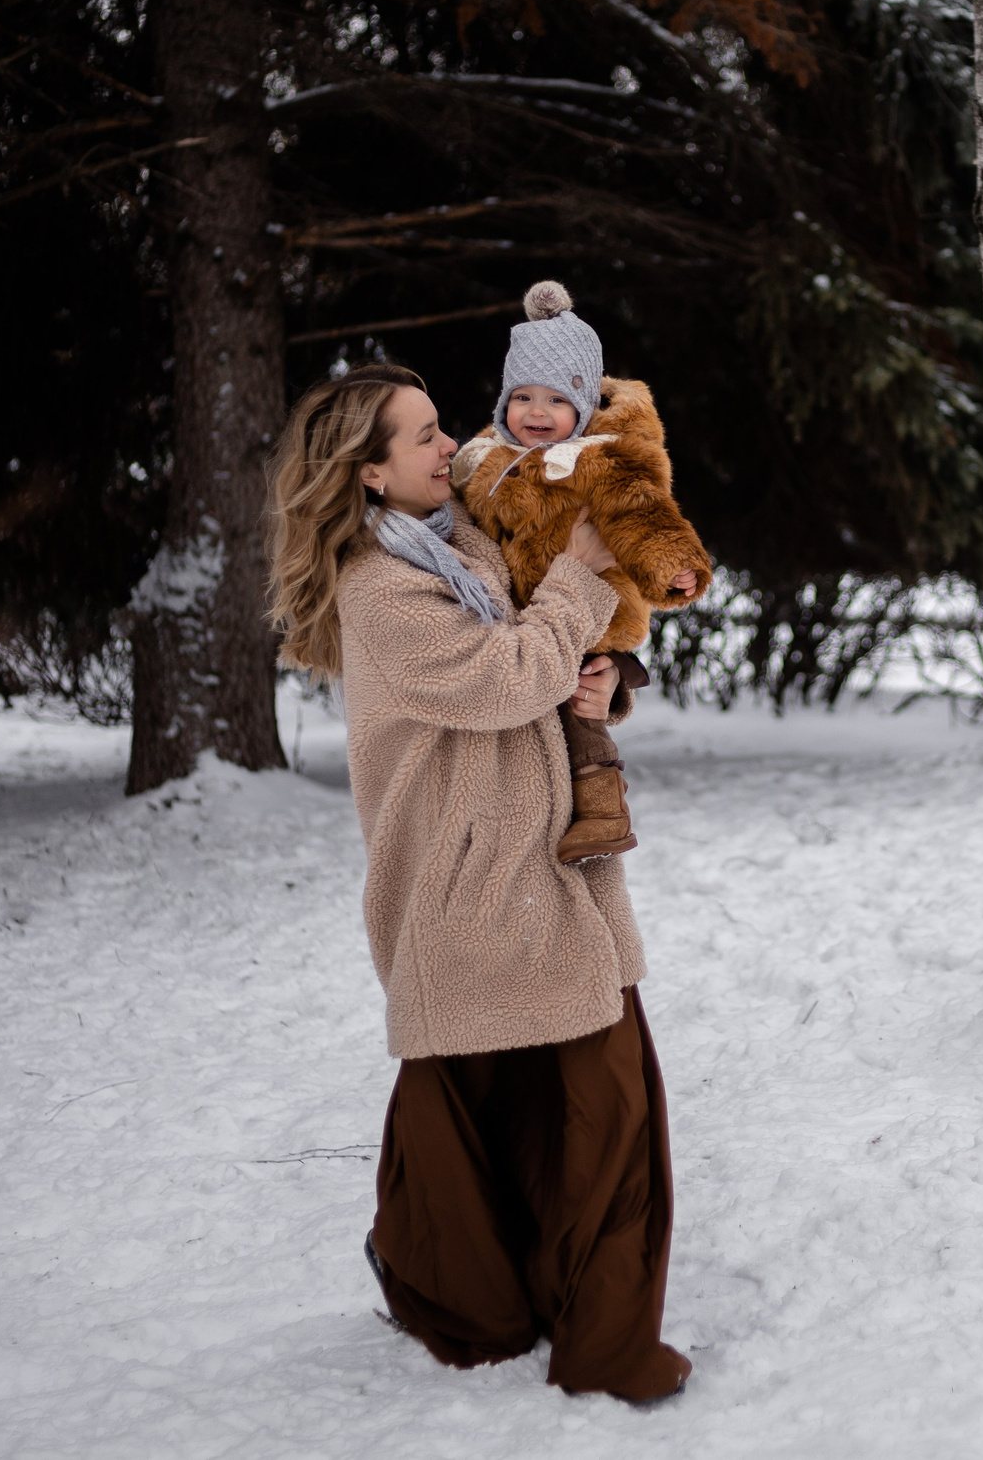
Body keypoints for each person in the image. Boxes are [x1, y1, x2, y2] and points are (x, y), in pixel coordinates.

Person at [264, 362, 691, 1405]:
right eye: (421, 436)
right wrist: (581, 579)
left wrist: (603, 678)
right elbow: (502, 678)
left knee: (571, 1105)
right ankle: (488, 1303)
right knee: (533, 1110)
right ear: (369, 474)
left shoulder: (466, 537)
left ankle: (577, 1330)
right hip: (467, 885)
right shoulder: (381, 587)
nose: (448, 443)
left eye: (438, 426)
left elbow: (545, 655)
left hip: (537, 864)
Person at [450, 281, 712, 863]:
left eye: (556, 399)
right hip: (521, 624)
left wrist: (673, 566)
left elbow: (642, 515)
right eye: (522, 397)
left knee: (580, 714)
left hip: (591, 616)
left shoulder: (600, 460)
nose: (536, 412)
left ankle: (603, 812)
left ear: (586, 406)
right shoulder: (486, 461)